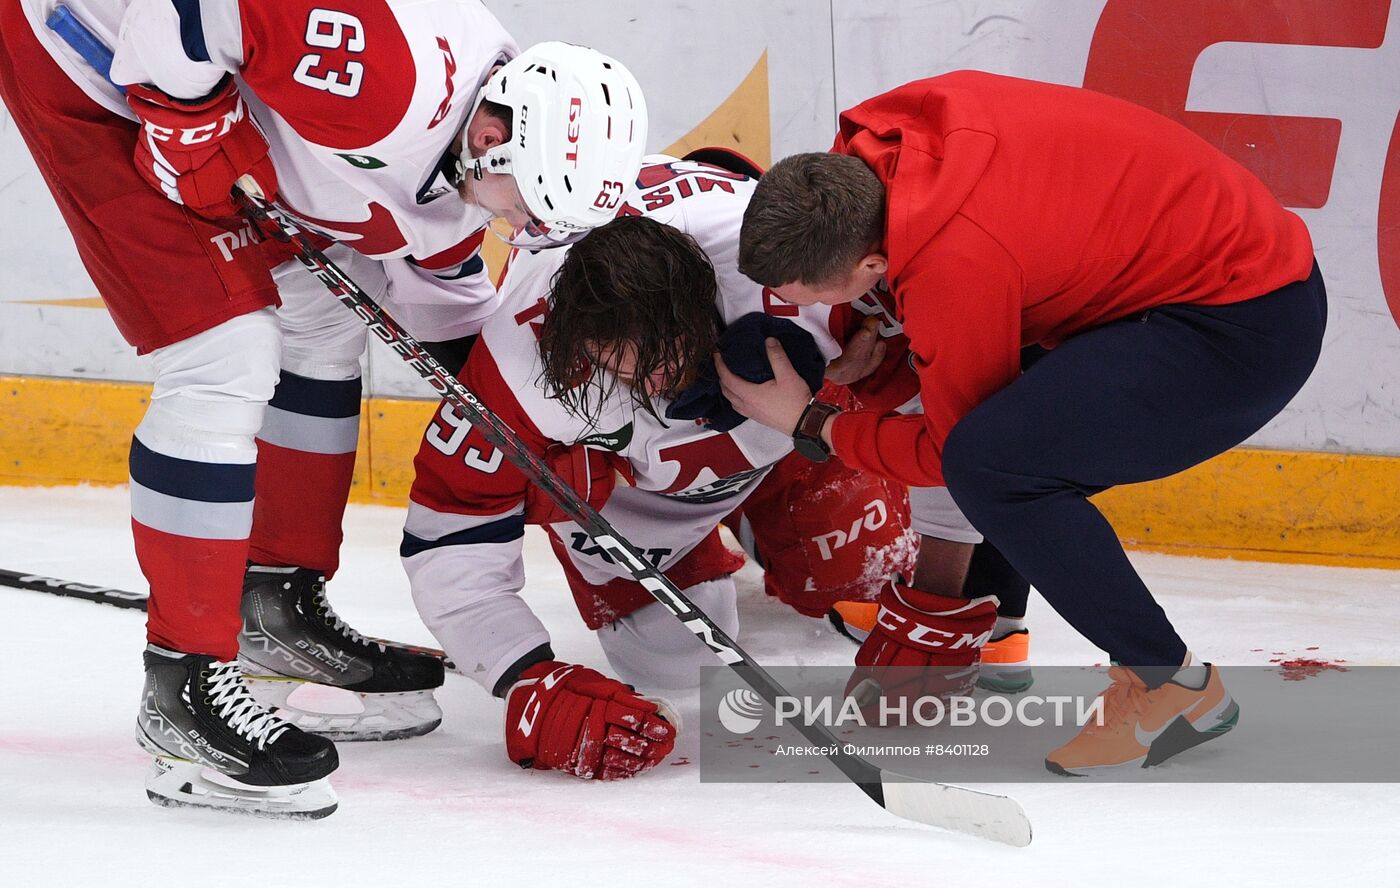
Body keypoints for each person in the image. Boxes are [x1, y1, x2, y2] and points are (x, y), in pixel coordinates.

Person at [0, 0, 646, 816]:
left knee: (325, 315)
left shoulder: (466, 148)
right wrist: (188, 122)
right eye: (524, 205)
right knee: (220, 356)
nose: (514, 224)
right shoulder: (390, 79)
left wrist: (522, 441)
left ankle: (273, 605)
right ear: (491, 137)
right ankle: (183, 689)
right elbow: (194, 12)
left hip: (187, 82)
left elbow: (441, 294)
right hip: (88, 60)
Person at [720, 70, 1326, 775]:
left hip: (1241, 328)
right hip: (1197, 260)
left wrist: (812, 424)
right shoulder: (878, 145)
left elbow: (949, 454)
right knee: (995, 423)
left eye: (815, 296)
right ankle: (998, 619)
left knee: (994, 463)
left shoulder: (958, 260)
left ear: (873, 260)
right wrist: (873, 321)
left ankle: (1172, 686)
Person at [401, 154, 917, 781]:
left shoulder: (785, 274)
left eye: (669, 357)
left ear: (712, 302)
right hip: (646, 495)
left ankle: (772, 501)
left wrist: (873, 369)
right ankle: (691, 536)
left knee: (867, 573)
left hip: (783, 432)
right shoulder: (518, 368)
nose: (652, 381)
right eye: (622, 370)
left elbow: (942, 376)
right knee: (679, 672)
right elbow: (449, 528)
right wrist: (524, 676)